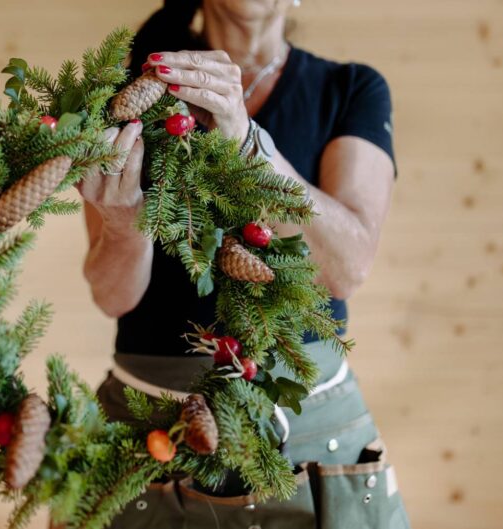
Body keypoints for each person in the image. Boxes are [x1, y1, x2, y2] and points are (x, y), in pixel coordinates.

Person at [74, 0, 411, 527]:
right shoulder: (135, 88)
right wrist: (122, 224)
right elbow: (112, 296)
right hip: (147, 430)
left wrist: (249, 144)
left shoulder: (350, 89)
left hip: (308, 435)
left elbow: (346, 269)